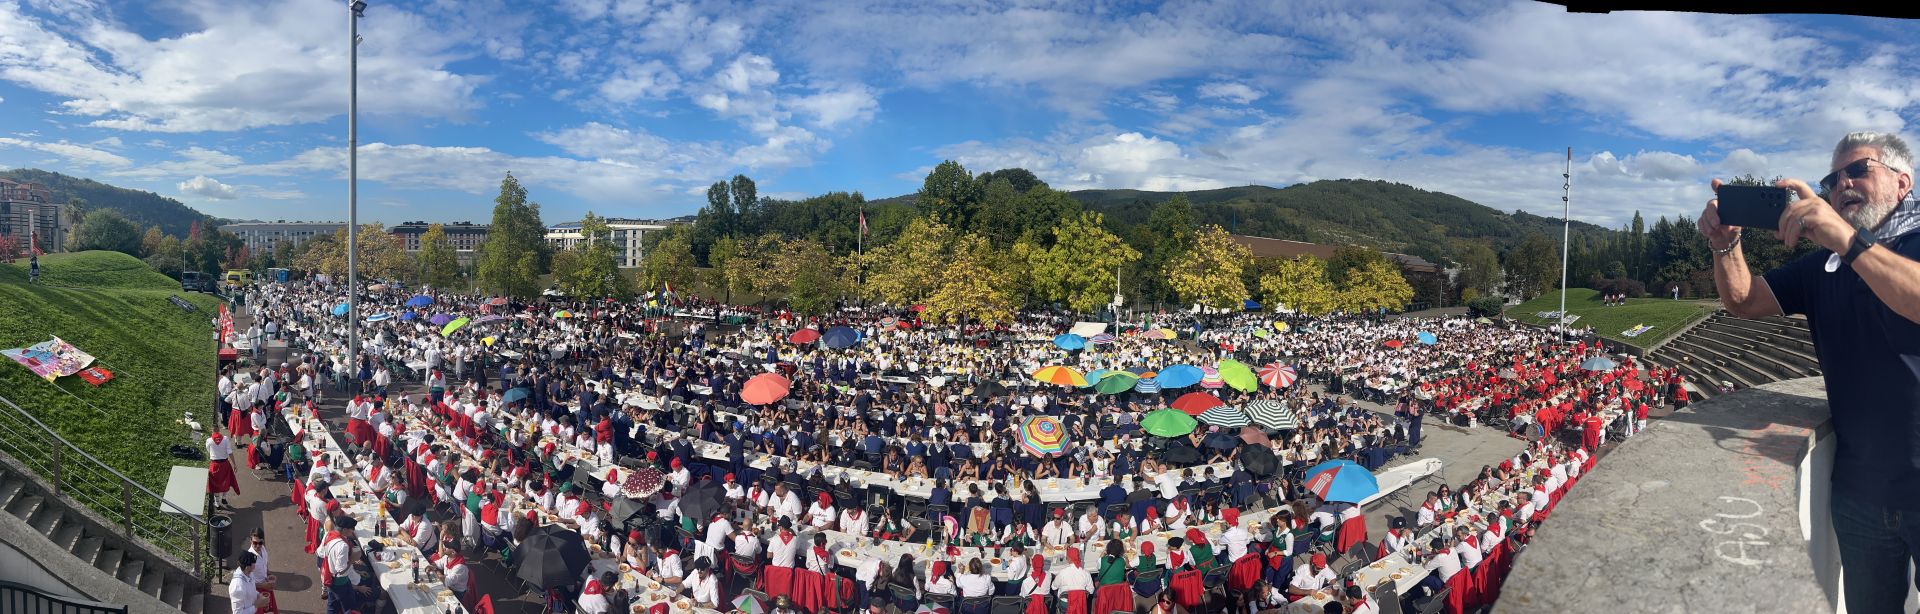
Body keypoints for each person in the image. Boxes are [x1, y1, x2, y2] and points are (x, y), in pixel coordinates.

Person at [1701, 131, 1920, 612]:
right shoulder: (1824, 264)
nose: (1841, 184)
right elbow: (1743, 300)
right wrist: (1726, 245)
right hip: (1861, 490)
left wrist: (1846, 239)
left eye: (1858, 169)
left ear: (1903, 182)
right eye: (1832, 177)